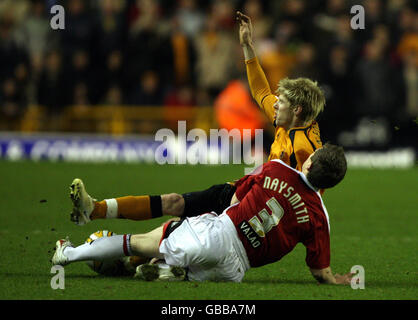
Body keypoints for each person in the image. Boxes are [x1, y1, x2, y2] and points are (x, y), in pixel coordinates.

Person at [69, 12, 326, 227]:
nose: (275, 102)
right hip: (245, 191)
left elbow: (312, 196)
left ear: (298, 110)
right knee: (175, 204)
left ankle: (140, 258)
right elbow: (260, 91)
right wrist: (248, 45)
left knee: (181, 227)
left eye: (282, 101)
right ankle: (96, 211)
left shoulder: (307, 148)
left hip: (256, 212)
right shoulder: (286, 120)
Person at [54, 143, 353, 285]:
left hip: (218, 234)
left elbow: (236, 196)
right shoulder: (319, 217)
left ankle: (68, 254)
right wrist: (339, 280)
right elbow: (320, 272)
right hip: (235, 270)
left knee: (139, 241)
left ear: (310, 164)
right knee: (190, 269)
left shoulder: (277, 169)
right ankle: (164, 272)